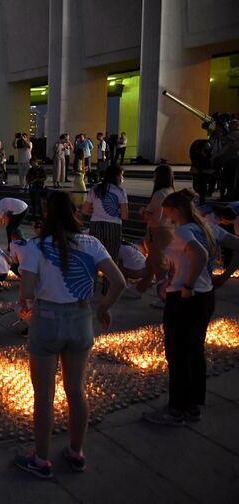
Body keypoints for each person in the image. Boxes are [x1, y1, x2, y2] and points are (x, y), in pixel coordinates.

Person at [15, 191, 125, 478]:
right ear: (75, 212)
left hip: (47, 320)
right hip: (81, 318)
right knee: (76, 391)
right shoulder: (92, 243)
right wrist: (102, 307)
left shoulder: (36, 246)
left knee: (44, 395)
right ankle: (76, 452)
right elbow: (119, 282)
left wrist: (28, 298)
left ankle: (41, 460)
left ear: (47, 213)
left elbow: (26, 291)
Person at [137, 189, 239, 426]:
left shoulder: (183, 231)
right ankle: (192, 406)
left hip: (185, 300)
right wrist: (225, 275)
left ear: (177, 210)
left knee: (178, 354)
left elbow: (200, 255)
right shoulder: (207, 227)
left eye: (168, 211)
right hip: (206, 297)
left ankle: (176, 410)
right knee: (194, 351)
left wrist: (187, 285)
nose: (167, 217)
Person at [82, 165, 128, 293]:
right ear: (117, 176)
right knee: (111, 258)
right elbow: (125, 215)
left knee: (93, 257)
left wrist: (97, 212)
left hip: (95, 225)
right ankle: (107, 290)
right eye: (122, 175)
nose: (122, 178)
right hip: (113, 226)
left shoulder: (95, 189)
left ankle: (90, 288)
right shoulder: (120, 191)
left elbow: (85, 210)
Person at [136, 165, 175, 292]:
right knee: (151, 264)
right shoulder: (171, 192)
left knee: (159, 264)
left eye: (155, 175)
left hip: (158, 232)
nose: (153, 178)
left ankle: (164, 292)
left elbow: (156, 217)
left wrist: (143, 212)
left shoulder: (160, 194)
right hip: (168, 230)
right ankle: (140, 288)